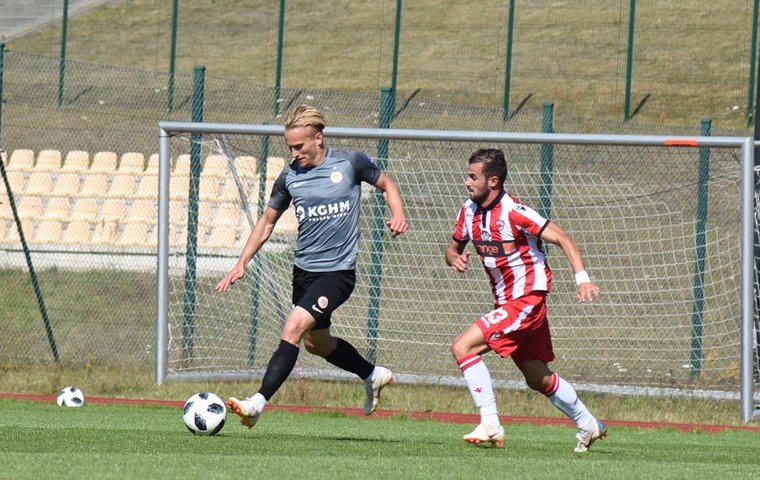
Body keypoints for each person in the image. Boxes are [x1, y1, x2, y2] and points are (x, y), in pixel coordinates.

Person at [215, 105, 408, 428]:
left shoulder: (350, 163)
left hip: (337, 274)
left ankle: (256, 403)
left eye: (299, 146)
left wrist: (398, 214)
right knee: (316, 344)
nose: (294, 153)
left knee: (292, 328)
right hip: (303, 272)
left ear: (318, 138)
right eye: (289, 147)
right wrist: (242, 263)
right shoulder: (290, 177)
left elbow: (388, 184)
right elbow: (267, 222)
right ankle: (373, 374)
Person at [445, 148, 607, 452]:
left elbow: (564, 238)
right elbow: (451, 248)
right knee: (537, 377)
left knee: (462, 346)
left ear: (493, 181)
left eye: (473, 177)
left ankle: (490, 423)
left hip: (527, 299)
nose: (467, 182)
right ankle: (588, 423)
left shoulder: (515, 211)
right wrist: (454, 258)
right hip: (506, 303)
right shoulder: (468, 211)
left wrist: (582, 280)